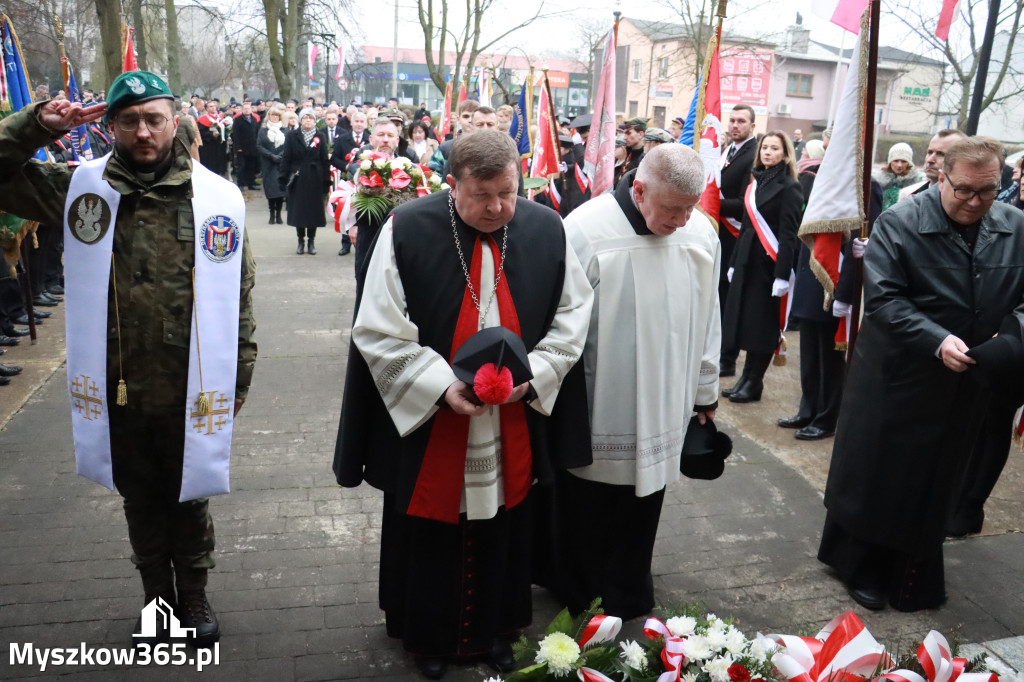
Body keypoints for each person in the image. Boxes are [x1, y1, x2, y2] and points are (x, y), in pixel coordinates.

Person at [0, 70, 256, 646]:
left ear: (174, 120)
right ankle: (156, 597)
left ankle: (192, 590)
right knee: (139, 493)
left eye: (154, 119)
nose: (144, 131)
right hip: (115, 378)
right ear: (110, 124)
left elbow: (238, 292)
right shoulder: (76, 188)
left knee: (189, 491)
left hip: (192, 375)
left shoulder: (215, 198)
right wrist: (37, 125)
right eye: (130, 120)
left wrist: (240, 371)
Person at [332, 129, 593, 679]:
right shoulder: (409, 228)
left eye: (508, 192)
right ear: (453, 185)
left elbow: (573, 317)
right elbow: (379, 327)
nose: (498, 208)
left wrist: (534, 375)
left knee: (506, 518)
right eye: (483, 196)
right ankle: (427, 636)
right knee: (432, 524)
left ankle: (498, 630)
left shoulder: (547, 228)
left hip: (513, 415)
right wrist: (438, 386)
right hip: (432, 416)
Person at [819, 136, 1024, 612]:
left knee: (939, 474)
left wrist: (1011, 337)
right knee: (881, 472)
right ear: (941, 177)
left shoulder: (1016, 227)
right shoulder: (900, 221)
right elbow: (886, 300)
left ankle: (916, 561)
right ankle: (862, 564)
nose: (975, 202)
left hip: (970, 374)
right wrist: (935, 339)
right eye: (965, 191)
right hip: (900, 372)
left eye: (988, 191)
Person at [552, 143, 721, 621]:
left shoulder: (702, 233)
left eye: (690, 208)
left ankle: (629, 583)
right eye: (672, 209)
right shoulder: (584, 230)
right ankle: (578, 587)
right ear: (639, 189)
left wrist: (705, 392)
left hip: (668, 395)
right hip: (600, 396)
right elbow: (559, 322)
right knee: (589, 500)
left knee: (645, 501)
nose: (684, 221)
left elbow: (711, 318)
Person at [721, 130, 802, 404]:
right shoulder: (755, 182)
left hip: (769, 265)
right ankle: (745, 377)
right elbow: (746, 225)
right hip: (747, 261)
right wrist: (733, 263)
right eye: (765, 147)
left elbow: (789, 234)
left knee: (762, 326)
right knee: (747, 323)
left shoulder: (790, 186)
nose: (768, 152)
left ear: (785, 154)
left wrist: (782, 274)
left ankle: (755, 382)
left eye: (774, 148)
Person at [717, 105, 757, 377]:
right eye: (731, 120)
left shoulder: (753, 155)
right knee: (718, 298)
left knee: (729, 301)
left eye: (741, 121)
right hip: (720, 233)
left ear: (752, 126)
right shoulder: (728, 150)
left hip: (736, 236)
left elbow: (746, 203)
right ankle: (716, 351)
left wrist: (713, 203)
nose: (735, 125)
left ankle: (727, 358)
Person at [281, 108, 330, 255]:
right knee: (299, 211)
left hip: (315, 178)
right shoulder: (292, 136)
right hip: (298, 177)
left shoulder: (320, 136)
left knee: (313, 211)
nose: (308, 120)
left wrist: (326, 180)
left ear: (315, 121)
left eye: (311, 118)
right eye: (305, 118)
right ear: (300, 120)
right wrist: (283, 177)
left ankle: (312, 241)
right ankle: (300, 241)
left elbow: (324, 160)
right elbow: (286, 157)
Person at [258, 104, 288, 224]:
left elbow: (288, 145)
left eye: (277, 115)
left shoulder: (284, 129)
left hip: (280, 162)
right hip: (268, 162)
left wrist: (280, 155)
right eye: (272, 115)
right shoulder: (263, 129)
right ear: (268, 116)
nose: (274, 117)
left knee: (279, 189)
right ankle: (271, 214)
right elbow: (259, 145)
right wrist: (270, 155)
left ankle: (279, 214)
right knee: (270, 190)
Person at [874, 142, 924, 210]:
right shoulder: (877, 180)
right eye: (896, 161)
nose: (899, 165)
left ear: (909, 163)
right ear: (890, 162)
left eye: (904, 161)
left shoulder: (917, 183)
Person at [231, 101, 260, 190]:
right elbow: (235, 134)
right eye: (245, 109)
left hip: (253, 147)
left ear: (251, 109)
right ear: (242, 110)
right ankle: (241, 184)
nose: (247, 110)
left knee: (251, 166)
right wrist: (238, 147)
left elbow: (256, 133)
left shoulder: (254, 120)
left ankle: (250, 183)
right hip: (242, 148)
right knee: (242, 166)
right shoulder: (238, 120)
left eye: (248, 108)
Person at [196, 99, 229, 176]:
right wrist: (211, 134)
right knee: (210, 166)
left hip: (220, 146)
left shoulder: (221, 118)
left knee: (220, 165)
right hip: (209, 147)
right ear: (207, 109)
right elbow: (201, 133)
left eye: (214, 106)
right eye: (210, 106)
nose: (213, 108)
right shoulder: (203, 119)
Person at [615, 117, 646, 188]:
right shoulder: (629, 152)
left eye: (628, 133)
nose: (624, 138)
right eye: (624, 133)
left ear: (641, 134)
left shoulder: (644, 158)